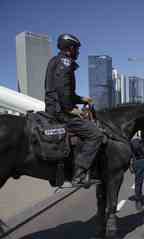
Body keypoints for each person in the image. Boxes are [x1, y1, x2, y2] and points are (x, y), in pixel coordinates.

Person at [44, 33, 103, 187]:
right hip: (60, 112)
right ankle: (79, 174)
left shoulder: (56, 61)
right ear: (70, 48)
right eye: (77, 48)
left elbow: (66, 92)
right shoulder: (65, 62)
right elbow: (63, 91)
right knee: (95, 134)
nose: (78, 52)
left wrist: (82, 99)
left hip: (55, 108)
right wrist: (71, 109)